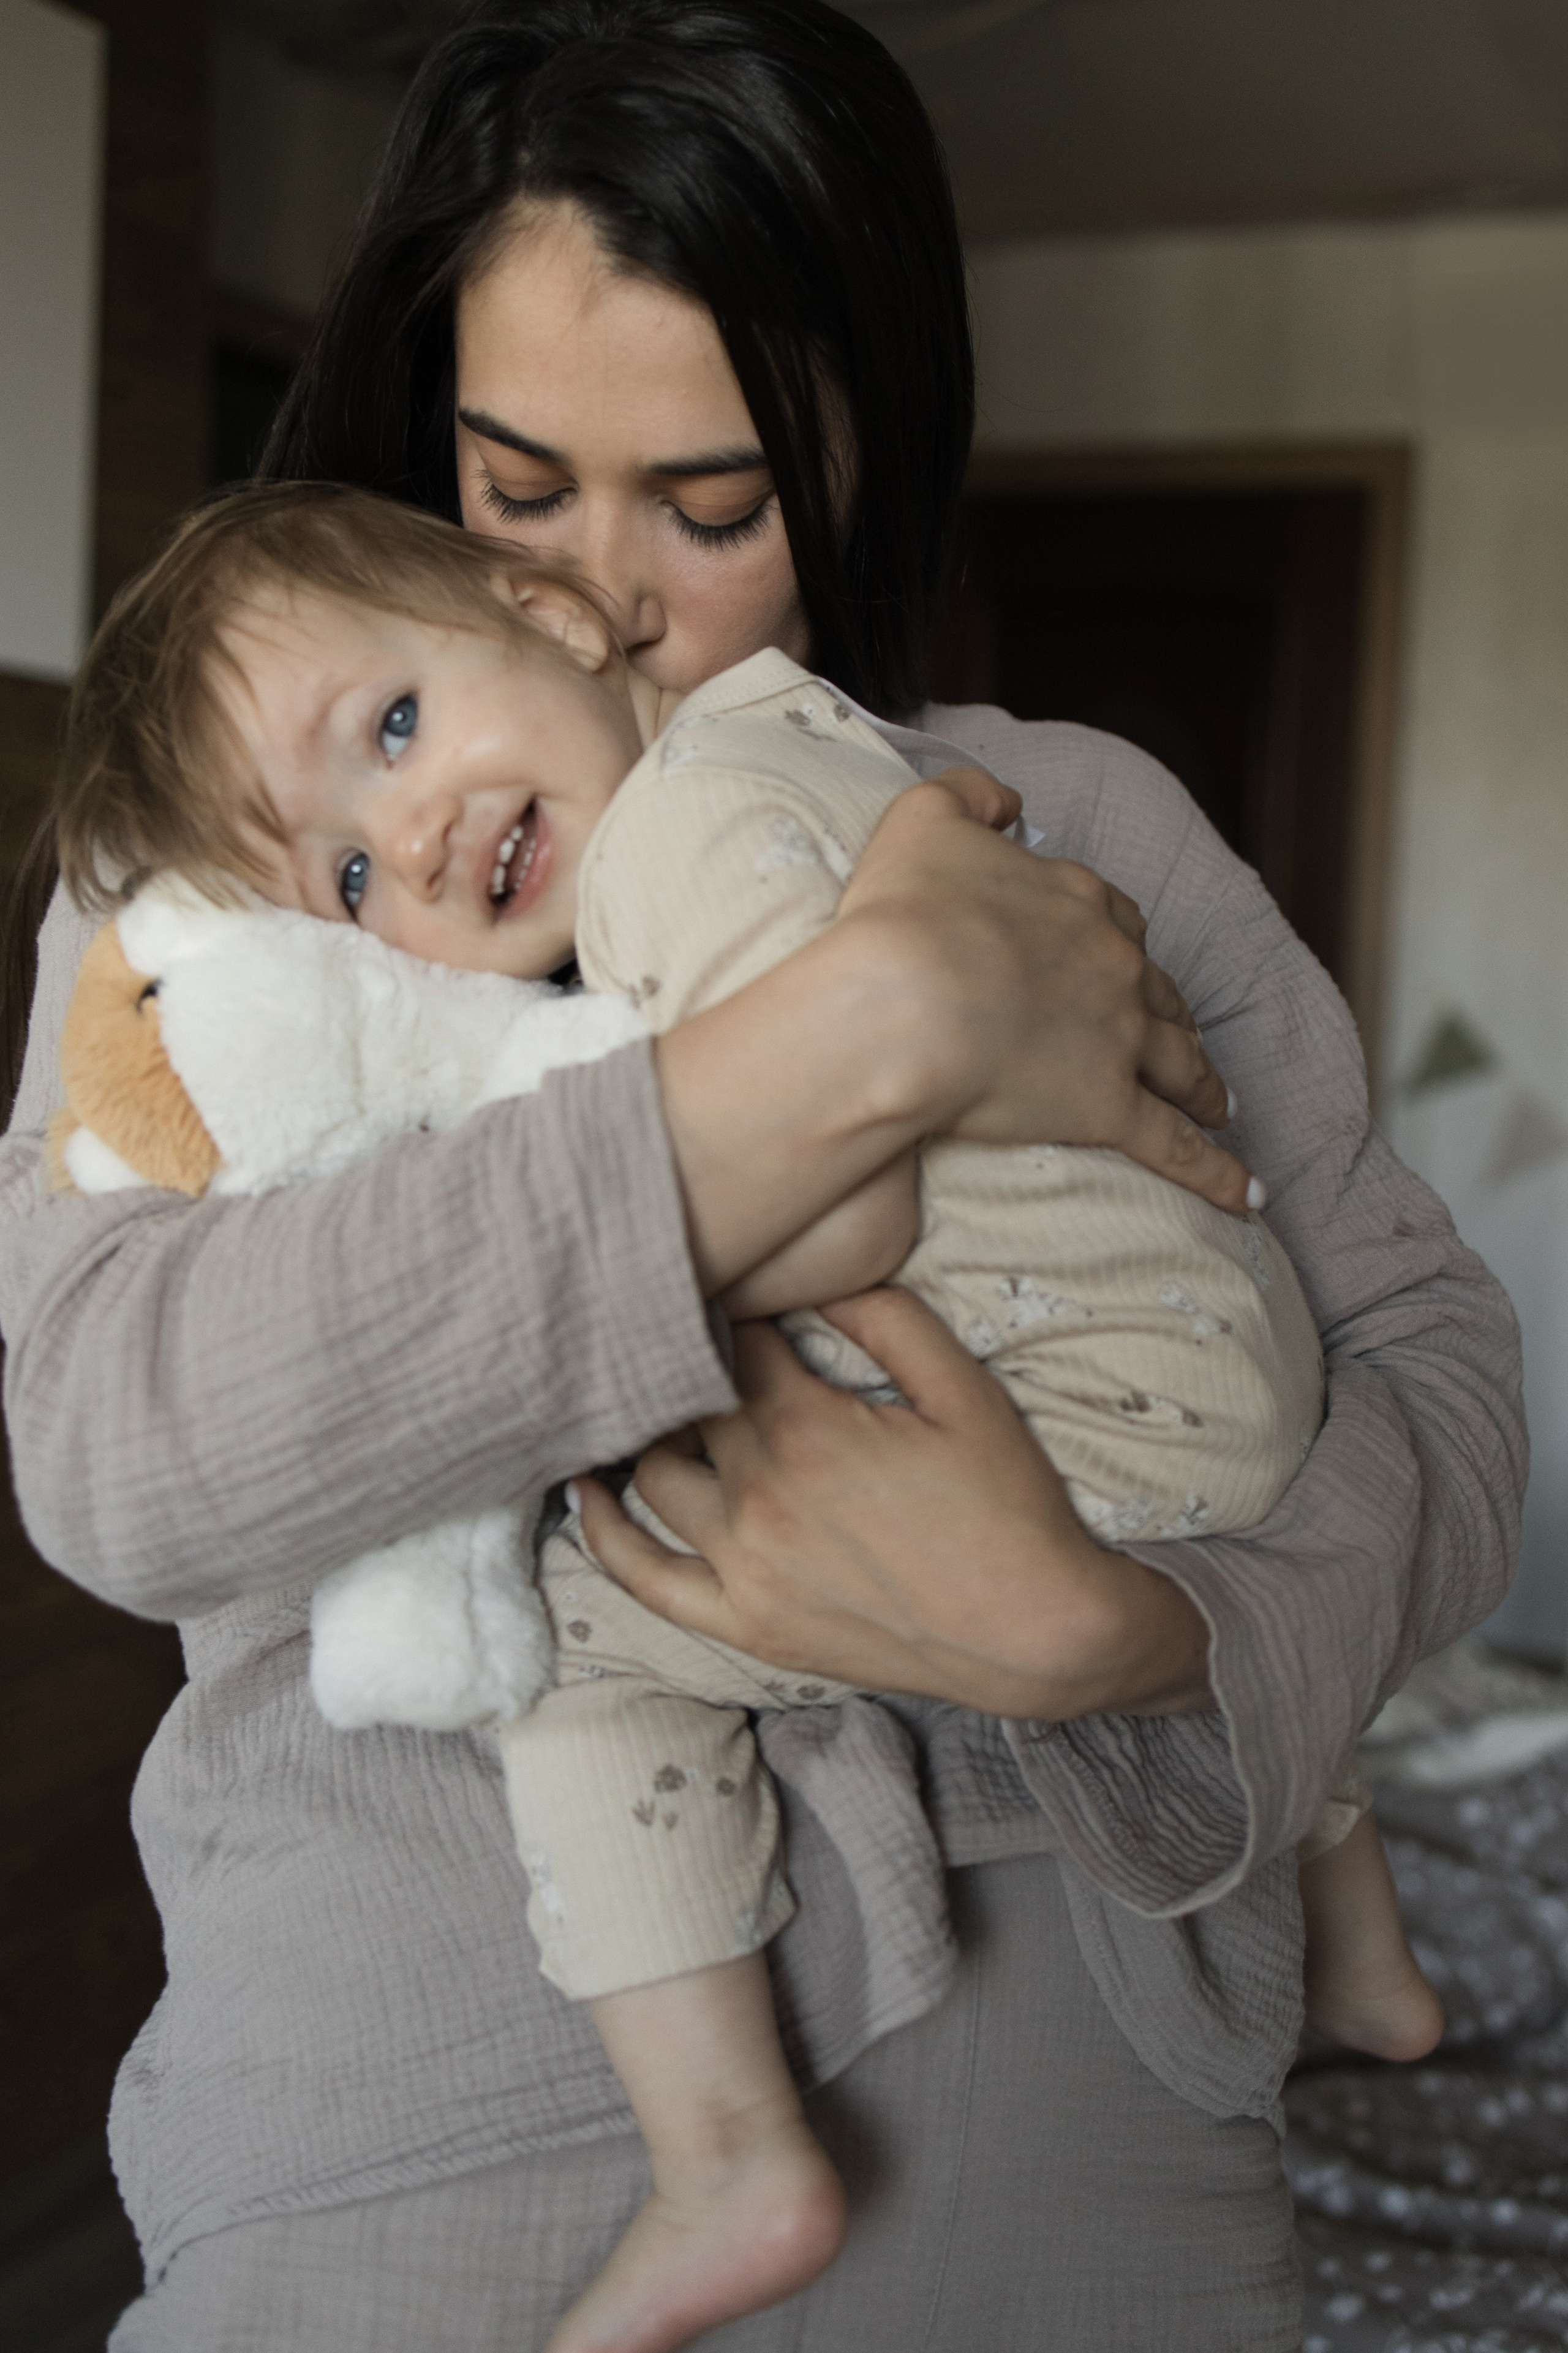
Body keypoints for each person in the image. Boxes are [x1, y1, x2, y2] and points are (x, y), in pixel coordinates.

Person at [0, 5, 1519, 2346]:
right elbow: (120, 1442)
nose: (591, 602)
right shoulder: (234, 873)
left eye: (712, 510)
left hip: (1084, 2098)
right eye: (517, 493)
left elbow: (1433, 1379)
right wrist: (868, 1033)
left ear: (866, 449)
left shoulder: (1070, 819)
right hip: (409, 2115)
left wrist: (1122, 1640)